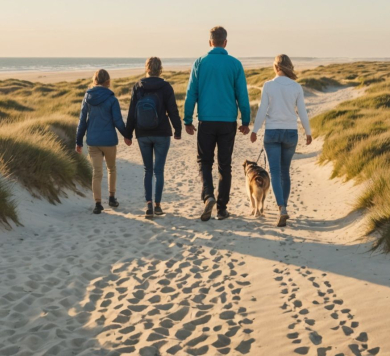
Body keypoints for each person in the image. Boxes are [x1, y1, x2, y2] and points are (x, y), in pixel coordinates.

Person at [184, 26, 251, 221]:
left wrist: (188, 119)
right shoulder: (235, 64)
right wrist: (245, 120)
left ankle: (208, 196)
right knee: (225, 165)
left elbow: (191, 93)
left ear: (210, 42)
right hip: (228, 122)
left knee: (204, 161)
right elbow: (242, 95)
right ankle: (221, 208)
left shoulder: (200, 62)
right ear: (225, 42)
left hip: (206, 121)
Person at [249, 55, 312, 227]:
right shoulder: (296, 86)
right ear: (288, 67)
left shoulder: (268, 85)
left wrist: (255, 130)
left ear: (276, 67)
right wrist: (308, 132)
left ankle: (281, 208)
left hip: (272, 133)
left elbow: (262, 110)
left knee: (275, 172)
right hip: (291, 133)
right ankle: (283, 206)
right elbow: (302, 112)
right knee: (285, 172)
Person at [124, 57, 183, 218]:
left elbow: (131, 113)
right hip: (162, 133)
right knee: (159, 170)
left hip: (142, 133)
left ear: (147, 68)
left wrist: (128, 134)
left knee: (147, 170)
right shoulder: (165, 87)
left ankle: (148, 205)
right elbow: (173, 111)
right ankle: (157, 205)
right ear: (160, 69)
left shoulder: (138, 87)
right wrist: (177, 129)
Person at [75, 69, 129, 214]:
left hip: (93, 141)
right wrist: (127, 135)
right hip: (109, 140)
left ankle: (98, 204)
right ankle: (111, 197)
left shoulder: (87, 97)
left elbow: (82, 121)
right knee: (111, 169)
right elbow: (118, 121)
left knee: (96, 173)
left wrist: (78, 141)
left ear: (95, 80)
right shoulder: (112, 99)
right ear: (108, 81)